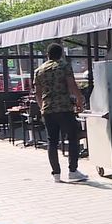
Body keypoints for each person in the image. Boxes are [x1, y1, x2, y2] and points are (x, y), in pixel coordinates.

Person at [34, 43, 88, 183]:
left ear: (47, 54)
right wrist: (79, 102)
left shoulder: (39, 70)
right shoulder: (64, 66)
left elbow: (38, 94)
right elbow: (72, 86)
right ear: (61, 54)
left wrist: (42, 108)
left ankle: (56, 174)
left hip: (47, 110)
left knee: (52, 141)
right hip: (64, 108)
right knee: (73, 137)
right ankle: (73, 171)